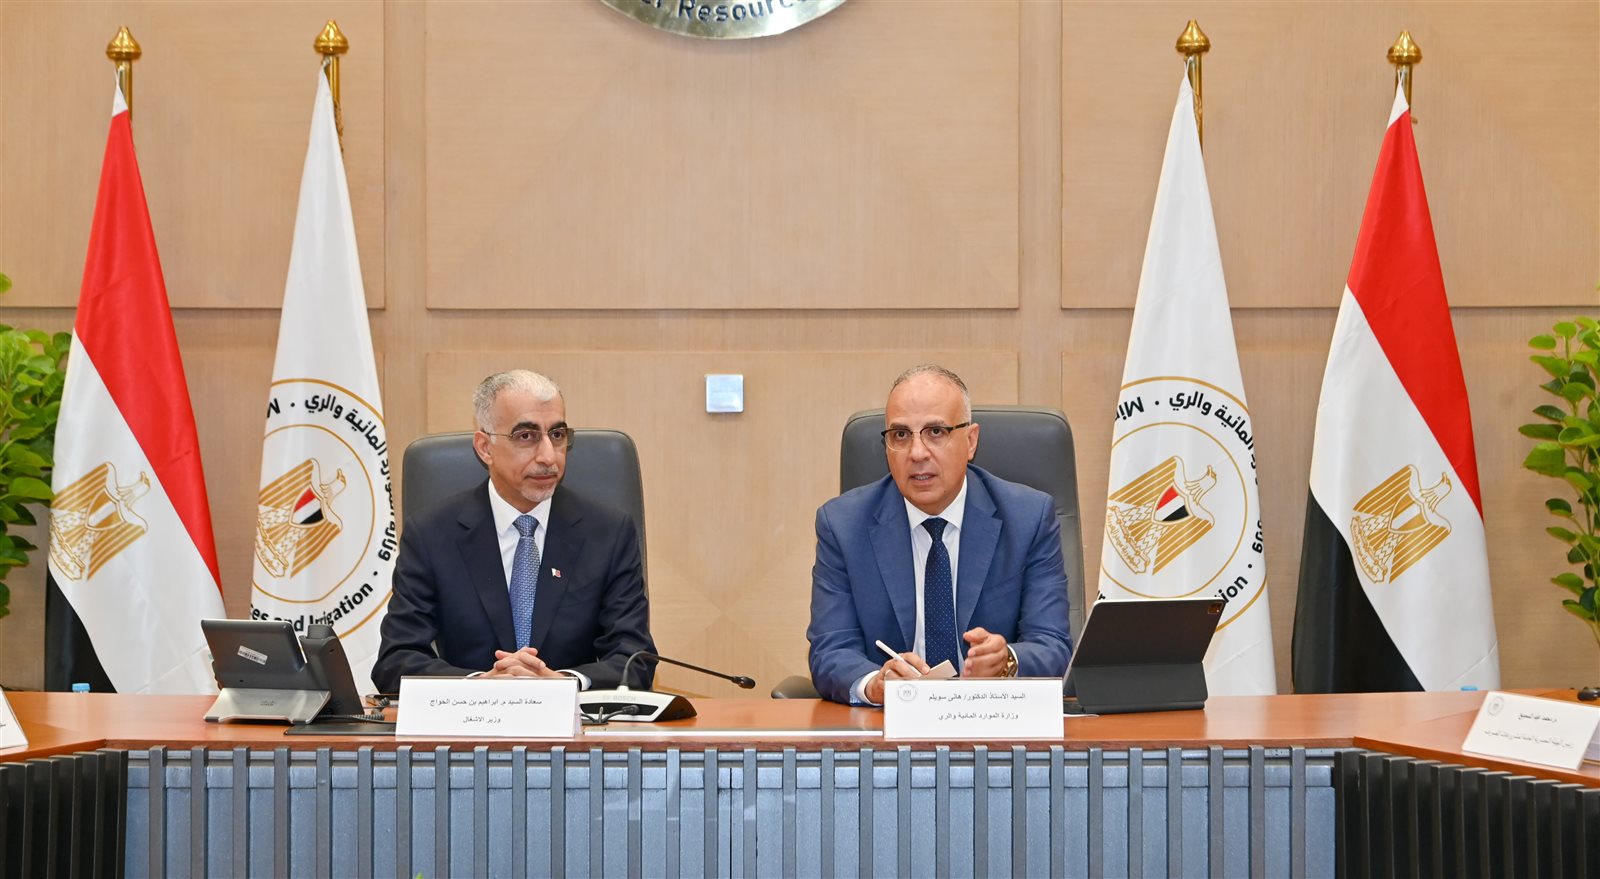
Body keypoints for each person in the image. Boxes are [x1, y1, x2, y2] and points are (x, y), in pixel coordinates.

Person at [372, 370, 654, 693]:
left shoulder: (608, 533)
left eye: (557, 435)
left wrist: (564, 684)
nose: (548, 456)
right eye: (526, 436)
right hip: (470, 721)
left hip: (573, 722)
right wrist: (480, 686)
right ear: (485, 448)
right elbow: (396, 660)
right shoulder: (431, 535)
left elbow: (635, 659)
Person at [806, 365, 1073, 705]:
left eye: (935, 432)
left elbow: (1052, 643)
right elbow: (830, 650)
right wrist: (875, 684)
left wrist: (1007, 660)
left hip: (994, 720)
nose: (917, 453)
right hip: (891, 726)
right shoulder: (843, 525)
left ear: (971, 441)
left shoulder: (1028, 518)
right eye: (900, 435)